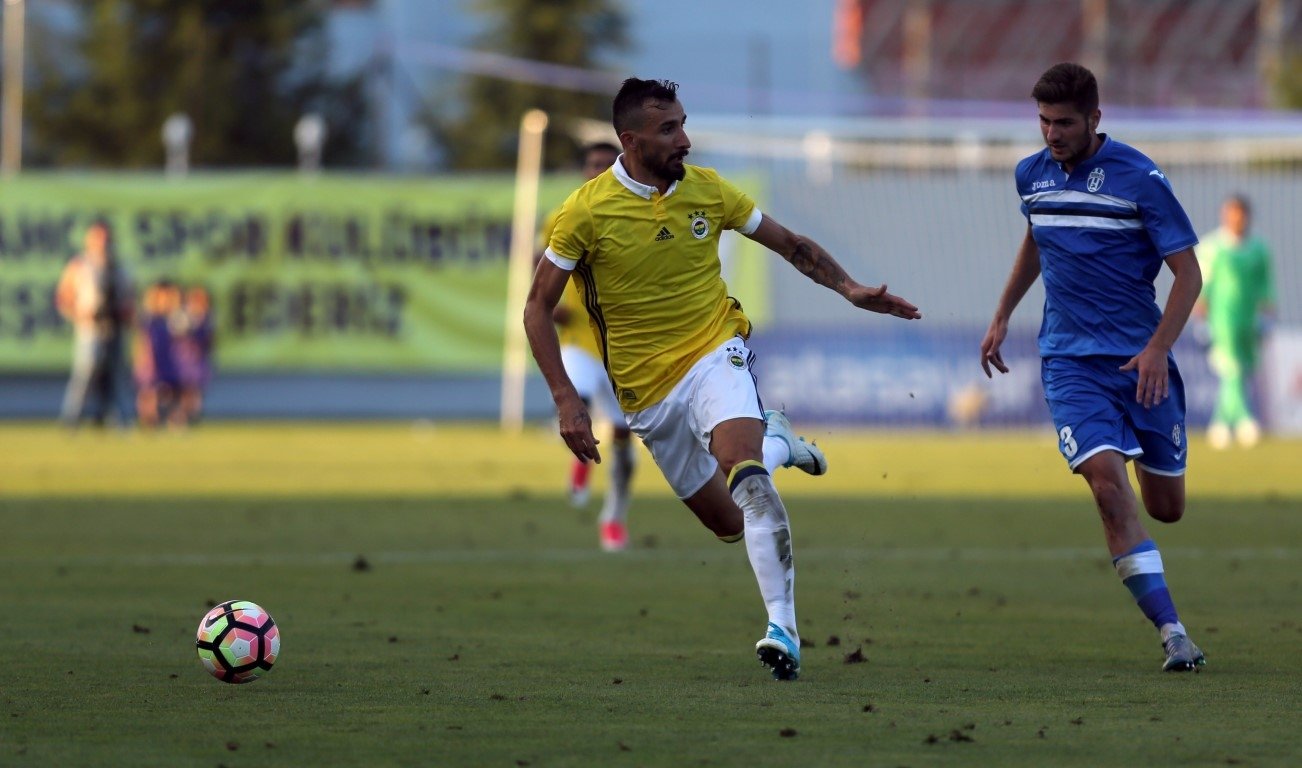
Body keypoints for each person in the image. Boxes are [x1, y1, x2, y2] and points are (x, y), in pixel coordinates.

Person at [524, 78, 921, 680]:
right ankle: (780, 442)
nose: (684, 139)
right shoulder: (584, 212)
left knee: (748, 478)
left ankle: (782, 628)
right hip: (645, 394)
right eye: (668, 130)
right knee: (731, 523)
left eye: (683, 124)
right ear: (629, 141)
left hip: (715, 351)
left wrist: (850, 288)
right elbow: (535, 309)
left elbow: (792, 245)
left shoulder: (709, 191)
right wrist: (566, 400)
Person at [980, 63, 1207, 672]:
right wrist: (1003, 313)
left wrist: (1158, 347)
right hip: (1068, 361)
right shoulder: (1031, 174)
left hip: (1141, 362)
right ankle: (1173, 632)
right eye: (1044, 122)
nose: (1052, 134)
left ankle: (1138, 478)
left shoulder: (1140, 177)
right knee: (1107, 487)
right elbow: (1038, 236)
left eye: (1064, 123)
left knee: (1166, 507)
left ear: (1095, 119)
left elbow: (1189, 273)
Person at [535, 141, 638, 551]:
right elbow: (540, 264)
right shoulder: (563, 216)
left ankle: (613, 516)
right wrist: (548, 303)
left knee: (624, 441)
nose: (597, 171)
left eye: (605, 165)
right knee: (574, 396)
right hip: (578, 337)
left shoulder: (636, 216)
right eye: (592, 164)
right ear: (583, 170)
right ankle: (581, 455)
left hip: (624, 350)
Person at [1195, 194, 1275, 449]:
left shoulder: (1259, 248)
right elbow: (1202, 283)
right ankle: (1244, 420)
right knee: (1231, 368)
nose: (1236, 219)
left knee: (1244, 369)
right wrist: (1201, 313)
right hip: (1223, 319)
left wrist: (1266, 313)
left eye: (1240, 214)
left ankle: (1220, 422)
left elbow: (1266, 285)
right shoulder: (1212, 247)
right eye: (1232, 213)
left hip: (1249, 319)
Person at [55, 220, 135, 429]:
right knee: (86, 372)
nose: (103, 242)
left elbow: (130, 296)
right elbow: (64, 296)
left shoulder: (119, 266)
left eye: (106, 238)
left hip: (115, 326)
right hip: (90, 328)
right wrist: (80, 315)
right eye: (98, 237)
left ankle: (116, 417)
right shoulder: (80, 265)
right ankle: (72, 418)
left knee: (116, 373)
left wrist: (126, 313)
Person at [134, 280, 184, 430]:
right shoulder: (148, 318)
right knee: (149, 391)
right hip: (150, 362)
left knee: (172, 390)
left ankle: (173, 418)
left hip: (167, 361)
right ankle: (148, 419)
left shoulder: (172, 319)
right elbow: (142, 342)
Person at [175, 284, 216, 426]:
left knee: (196, 390)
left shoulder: (208, 318)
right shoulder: (184, 315)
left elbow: (210, 340)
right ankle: (182, 416)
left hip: (198, 359)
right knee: (184, 389)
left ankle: (193, 415)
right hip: (184, 359)